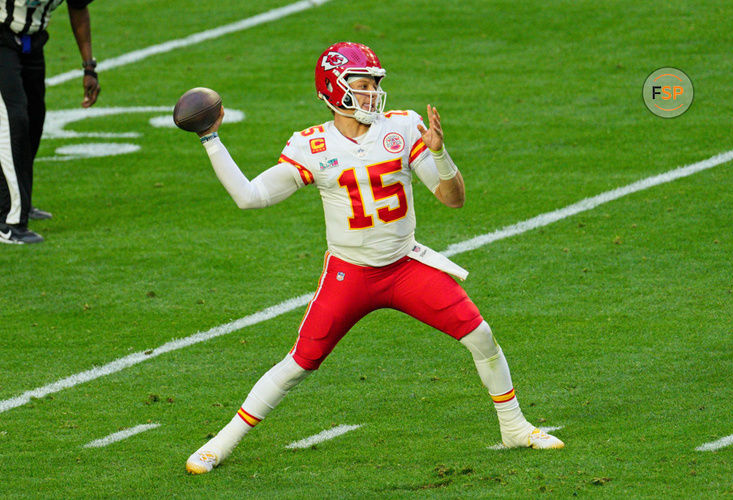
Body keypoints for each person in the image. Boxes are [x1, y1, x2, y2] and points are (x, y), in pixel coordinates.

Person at [186, 42, 563, 474]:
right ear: (333, 89)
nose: (370, 94)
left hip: (405, 266)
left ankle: (514, 427)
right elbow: (249, 197)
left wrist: (439, 154)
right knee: (299, 364)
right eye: (361, 85)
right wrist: (211, 139)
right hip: (350, 274)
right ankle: (222, 442)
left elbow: (452, 199)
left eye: (372, 85)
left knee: (481, 335)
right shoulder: (311, 144)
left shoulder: (402, 128)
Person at [0, 0, 100, 244]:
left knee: (34, 120)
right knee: (14, 121)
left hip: (32, 44)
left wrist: (89, 67)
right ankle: (9, 222)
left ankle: (20, 199)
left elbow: (78, 8)